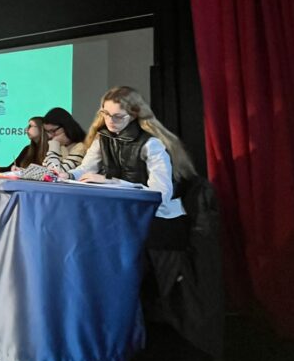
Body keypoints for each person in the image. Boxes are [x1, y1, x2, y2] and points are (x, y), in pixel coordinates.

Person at [59, 86, 197, 249]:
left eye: (118, 116)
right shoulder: (102, 138)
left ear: (133, 115)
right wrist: (68, 175)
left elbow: (160, 195)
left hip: (155, 219)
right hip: (118, 213)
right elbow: (86, 169)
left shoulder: (151, 144)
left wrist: (112, 182)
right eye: (105, 114)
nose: (110, 120)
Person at [40, 107, 86, 174]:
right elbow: (44, 170)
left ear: (66, 126)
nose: (50, 136)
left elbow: (55, 172)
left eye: (53, 131)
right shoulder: (61, 146)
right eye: (47, 132)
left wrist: (54, 145)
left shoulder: (81, 147)